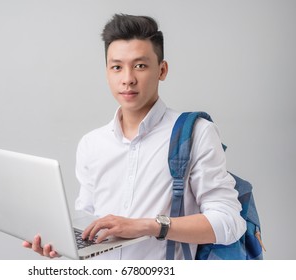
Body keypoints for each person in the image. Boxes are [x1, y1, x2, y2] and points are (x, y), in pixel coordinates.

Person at [23, 13, 246, 259]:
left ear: (162, 70)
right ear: (107, 72)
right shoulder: (91, 143)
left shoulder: (196, 133)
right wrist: (62, 244)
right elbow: (86, 218)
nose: (127, 79)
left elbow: (229, 222)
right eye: (117, 67)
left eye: (140, 65)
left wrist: (149, 225)